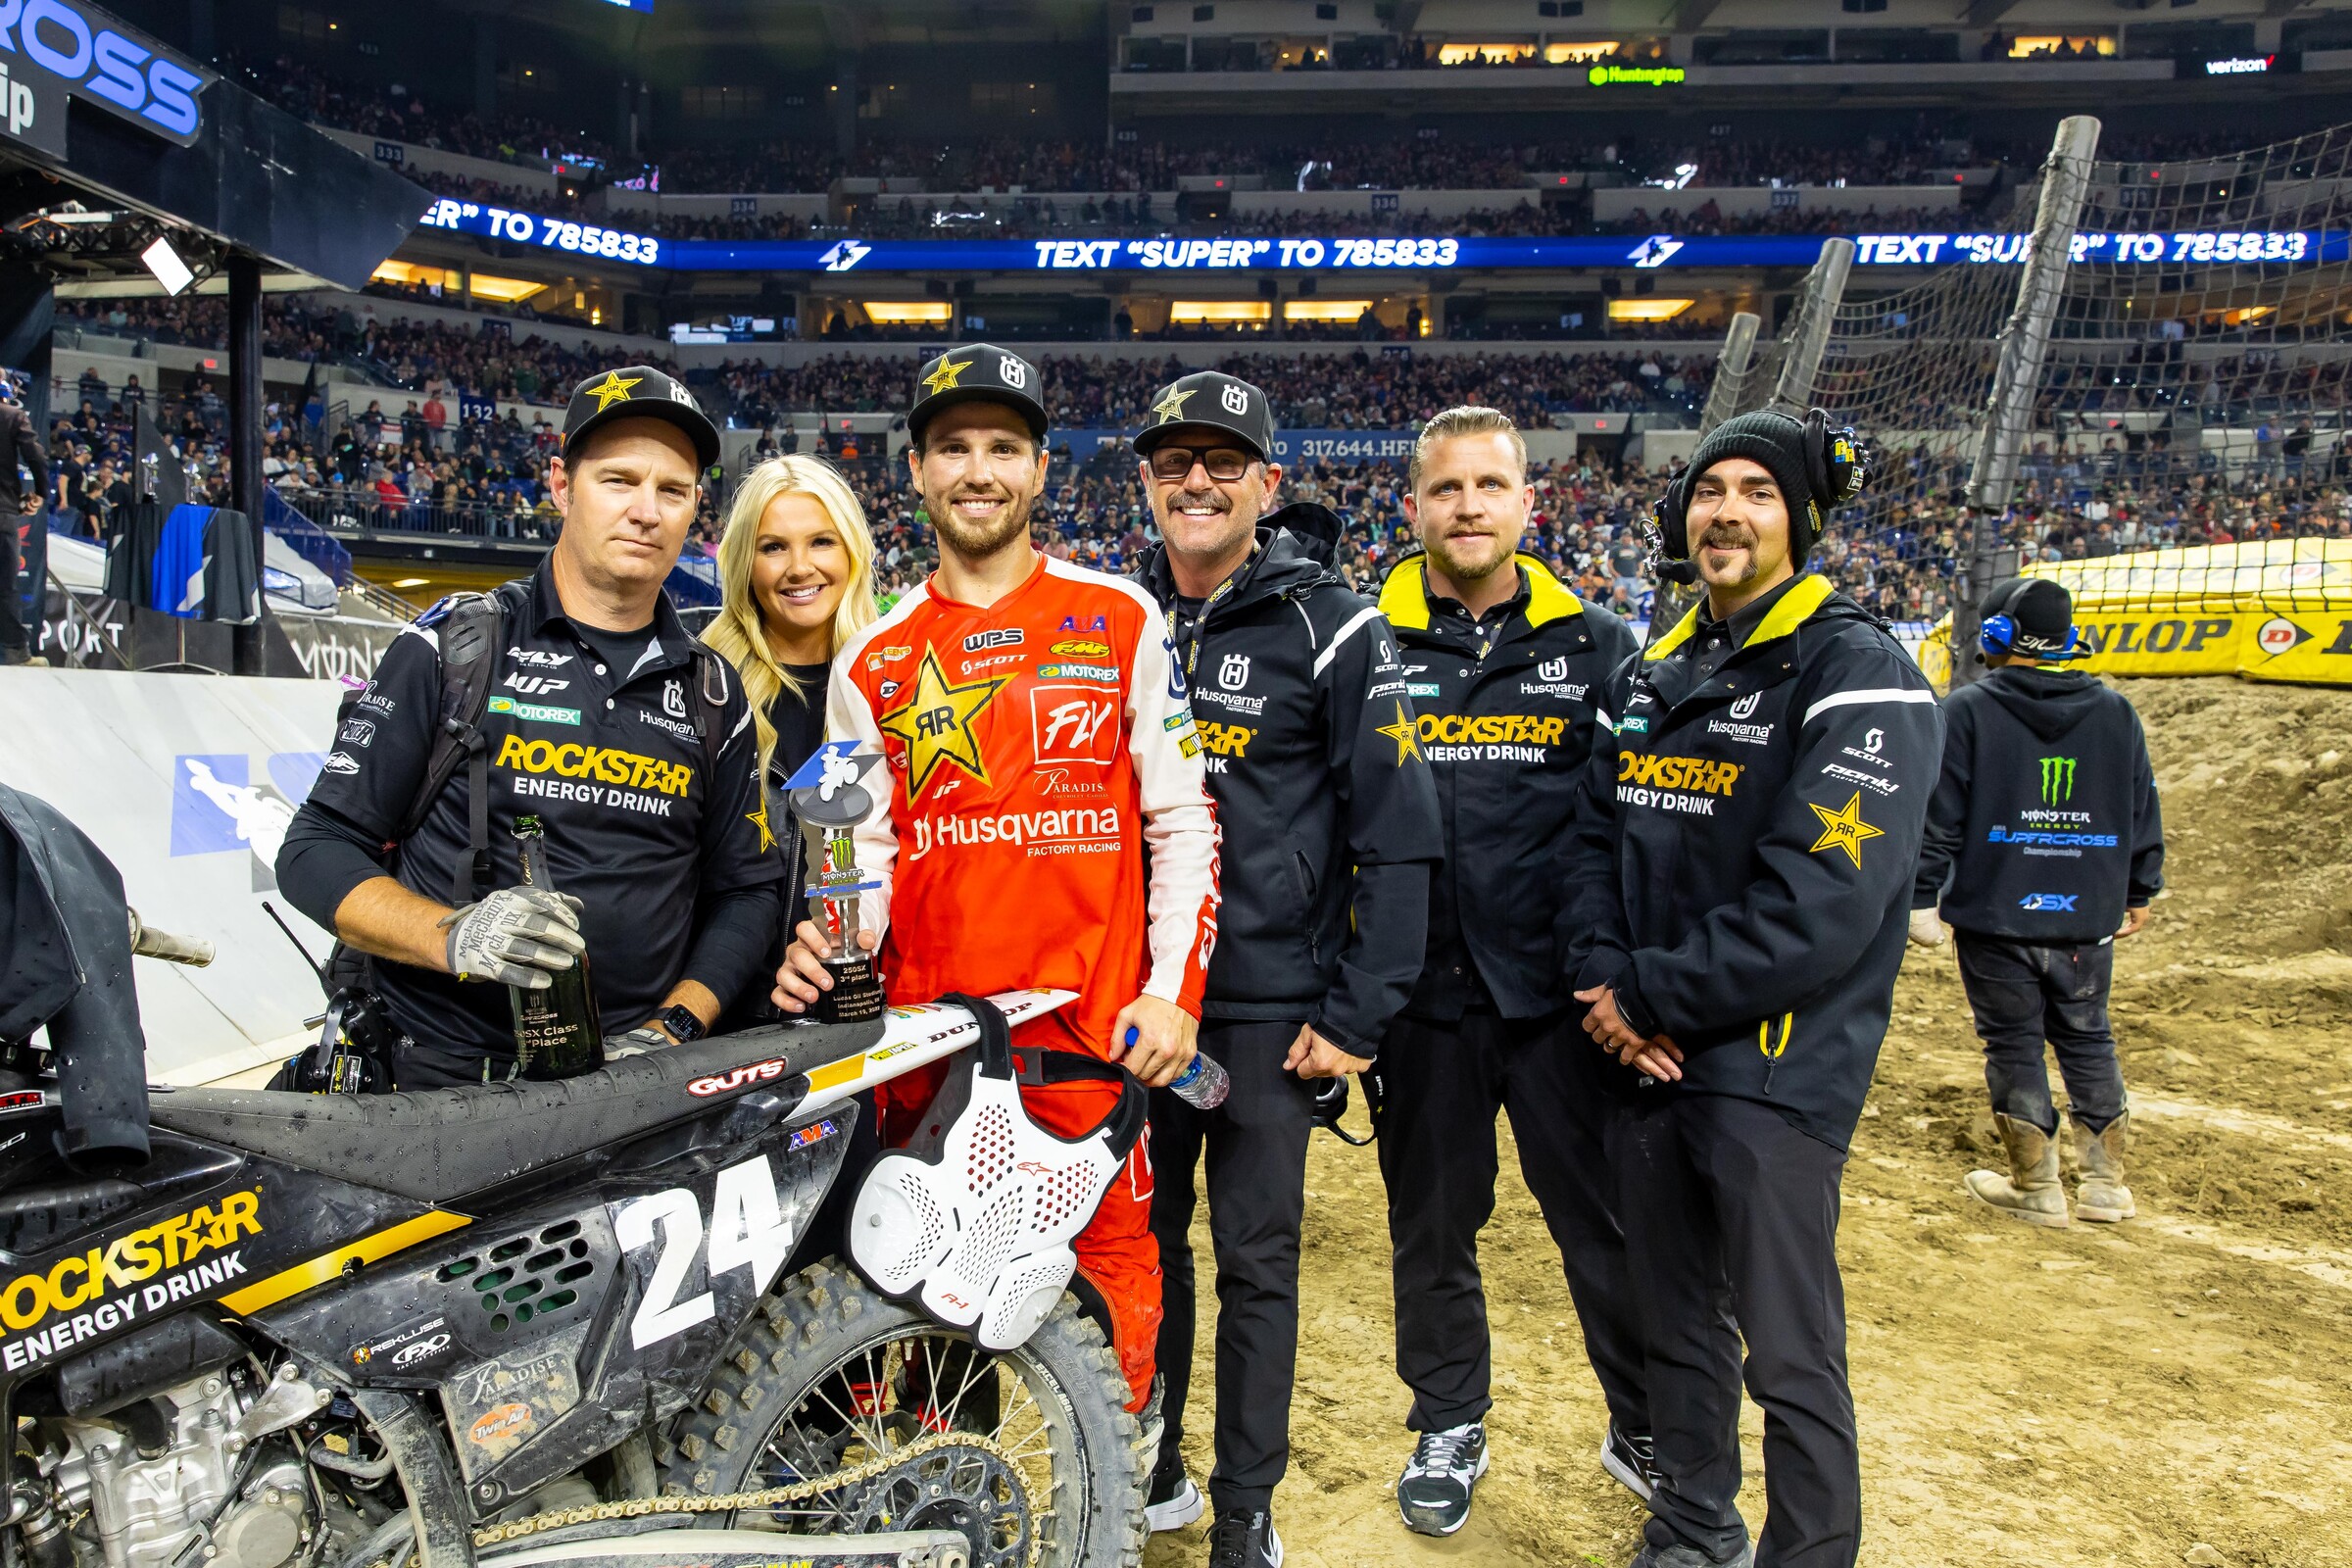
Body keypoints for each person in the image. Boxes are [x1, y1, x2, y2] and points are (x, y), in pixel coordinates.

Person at [774, 344, 1221, 1420]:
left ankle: (1120, 1493)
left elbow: (1182, 819)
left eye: (1004, 448)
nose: (979, 471)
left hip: (1093, 1044)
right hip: (932, 1056)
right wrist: (832, 944)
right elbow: (859, 857)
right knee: (928, 1321)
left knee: (1112, 1322)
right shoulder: (872, 658)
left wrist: (1174, 992)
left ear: (1040, 468)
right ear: (917, 471)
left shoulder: (1122, 615)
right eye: (954, 449)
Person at [1562, 409, 1942, 1568]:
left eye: (1758, 492)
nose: (1726, 512)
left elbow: (1824, 901)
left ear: (1804, 520)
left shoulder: (1859, 670)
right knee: (1675, 1322)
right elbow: (1590, 844)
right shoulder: (1660, 665)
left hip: (1773, 1073)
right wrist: (1605, 985)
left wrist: (1647, 998)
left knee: (1788, 1350)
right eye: (1711, 490)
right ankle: (1691, 1529)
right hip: (1644, 1056)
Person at [1129, 371, 1442, 1567]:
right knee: (1141, 1250)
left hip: (1268, 1014)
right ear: (1147, 482)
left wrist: (1358, 1014)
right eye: (1174, 462)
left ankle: (1245, 1508)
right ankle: (1153, 1466)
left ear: (1267, 482)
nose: (1197, 482)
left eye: (1224, 461)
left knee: (1255, 1265)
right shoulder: (1120, 620)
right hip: (1141, 1002)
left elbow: (1401, 834)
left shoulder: (1338, 626)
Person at [276, 366, 781, 1086]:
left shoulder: (714, 689)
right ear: (561, 485)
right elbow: (315, 849)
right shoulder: (453, 646)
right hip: (438, 1084)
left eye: (672, 491)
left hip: (631, 1087)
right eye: (619, 481)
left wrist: (675, 1025)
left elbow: (747, 892)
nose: (647, 511)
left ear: (696, 506)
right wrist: (453, 936)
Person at [1368, 406, 1647, 1538]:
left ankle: (1645, 1421)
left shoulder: (1601, 645)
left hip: (1565, 1003)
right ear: (1414, 507)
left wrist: (1621, 975)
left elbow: (1632, 822)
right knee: (1432, 1228)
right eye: (1447, 488)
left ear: (1529, 502)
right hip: (1421, 1002)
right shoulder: (1365, 642)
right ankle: (1449, 1418)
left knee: (1607, 1223)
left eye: (1490, 485)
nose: (1469, 506)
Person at [1910, 576, 2162, 1227]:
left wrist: (1921, 895)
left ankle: (2037, 1188)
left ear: (1997, 636)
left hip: (1996, 917)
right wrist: (2140, 888)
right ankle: (2105, 1188)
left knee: (2013, 1043)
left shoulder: (1967, 710)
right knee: (2089, 1037)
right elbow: (2141, 807)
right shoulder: (2117, 713)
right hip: (2085, 918)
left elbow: (1939, 815)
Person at [0, 378, 48, 667]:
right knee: (5, 586)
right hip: (2, 514)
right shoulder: (12, 416)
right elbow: (36, 458)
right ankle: (16, 652)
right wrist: (40, 492)